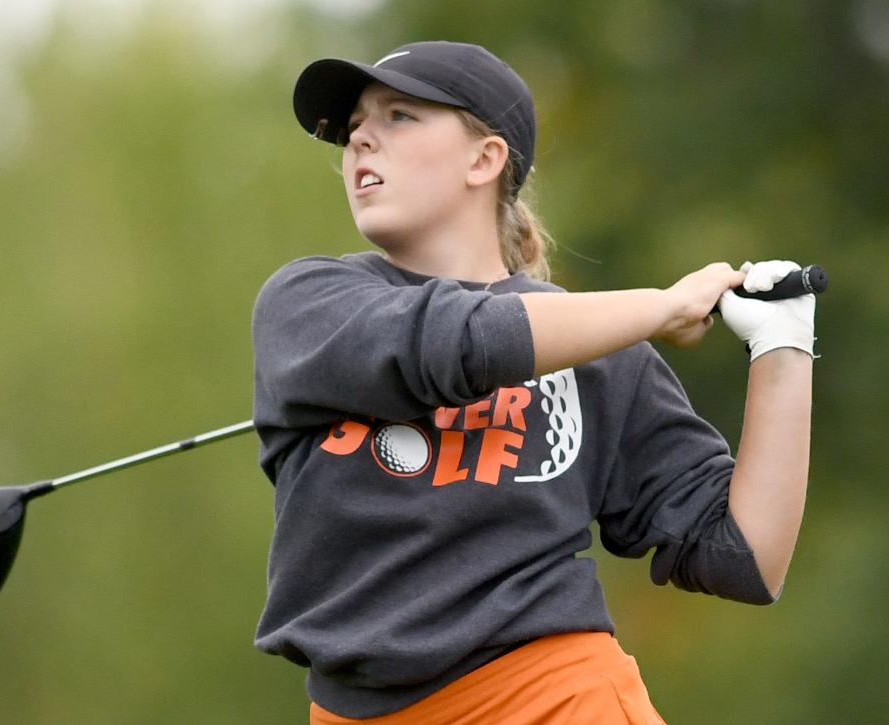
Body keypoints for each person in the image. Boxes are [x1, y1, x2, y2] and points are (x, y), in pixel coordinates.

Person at [251, 41, 815, 724]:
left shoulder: (602, 349)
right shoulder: (308, 305)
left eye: (399, 115)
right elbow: (466, 339)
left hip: (555, 701)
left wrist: (783, 347)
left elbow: (746, 557)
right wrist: (659, 307)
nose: (361, 138)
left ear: (484, 160)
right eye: (352, 128)